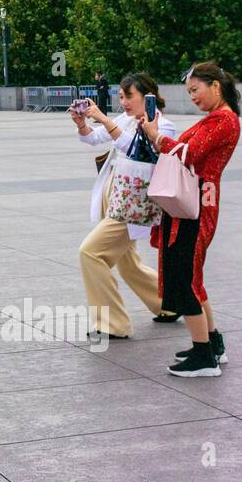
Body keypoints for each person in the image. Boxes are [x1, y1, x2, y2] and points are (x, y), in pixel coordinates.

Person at [139, 61, 241, 378]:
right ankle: (211, 343)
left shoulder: (224, 120)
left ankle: (203, 358)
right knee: (193, 278)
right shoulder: (217, 118)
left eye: (195, 90)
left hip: (197, 207)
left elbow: (188, 154)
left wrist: (157, 137)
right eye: (189, 92)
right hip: (193, 204)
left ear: (215, 85)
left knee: (185, 279)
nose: (193, 97)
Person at [73, 74, 178, 338]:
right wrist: (82, 124)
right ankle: (169, 304)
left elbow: (136, 150)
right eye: (121, 97)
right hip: (118, 196)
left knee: (91, 253)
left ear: (149, 95)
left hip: (135, 205)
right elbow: (94, 138)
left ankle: (113, 324)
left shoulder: (163, 126)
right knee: (127, 263)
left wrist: (105, 119)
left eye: (129, 96)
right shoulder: (127, 119)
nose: (124, 102)